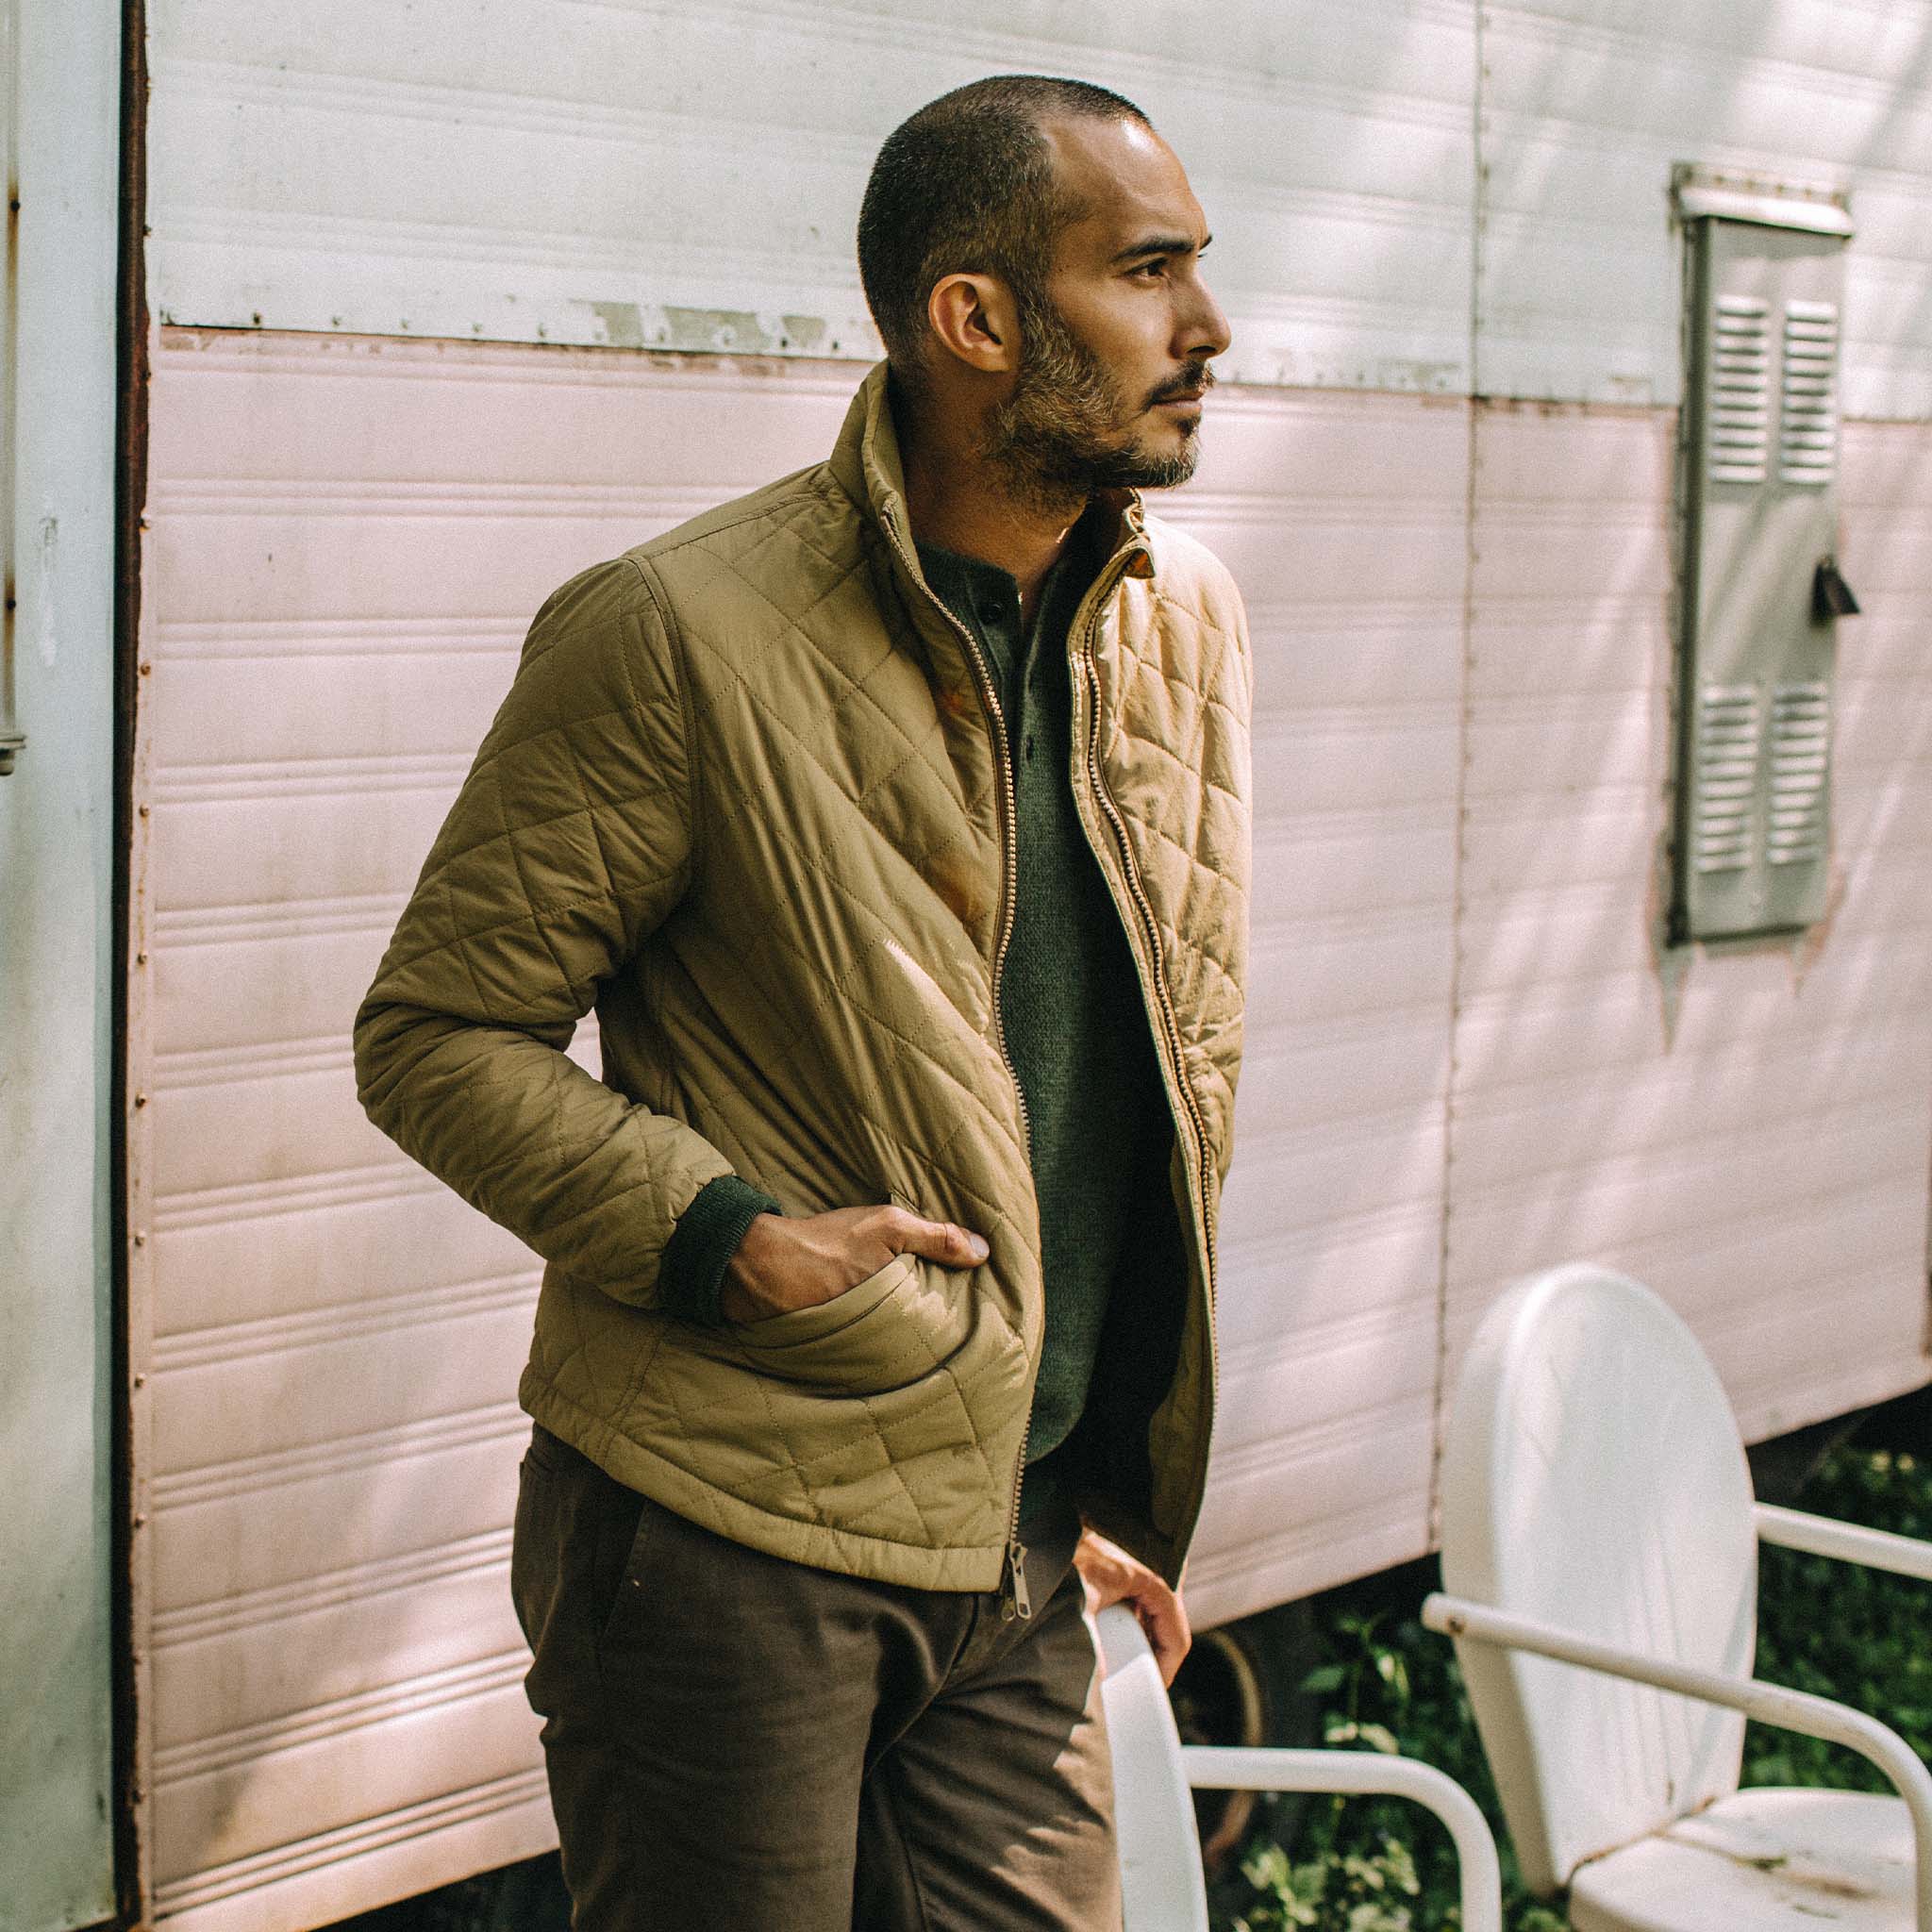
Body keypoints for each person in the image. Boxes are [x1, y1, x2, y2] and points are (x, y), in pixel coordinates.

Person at [354, 71, 1250, 1932]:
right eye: (1147, 270)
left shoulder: (1181, 619)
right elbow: (437, 1036)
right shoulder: (678, 631)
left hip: (1019, 1536)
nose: (1207, 326)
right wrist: (726, 1238)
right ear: (974, 319)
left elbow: (1145, 1066)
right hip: (724, 1530)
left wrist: (1083, 1458)